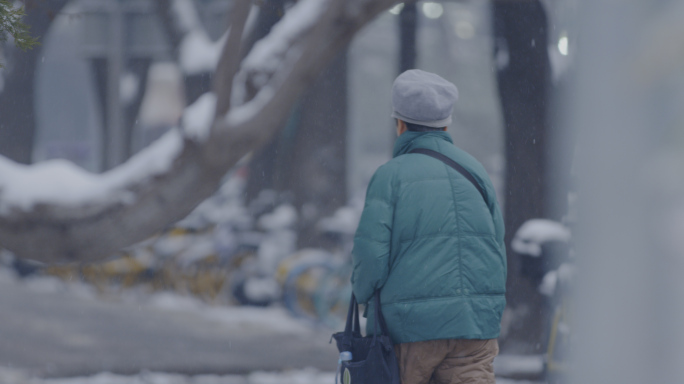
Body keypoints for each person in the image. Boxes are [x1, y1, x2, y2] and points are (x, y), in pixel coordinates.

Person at [351, 69, 506, 384]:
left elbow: (371, 257)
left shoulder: (389, 176)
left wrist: (362, 293)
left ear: (400, 124)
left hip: (412, 329)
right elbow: (497, 245)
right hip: (474, 327)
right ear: (446, 124)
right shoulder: (476, 171)